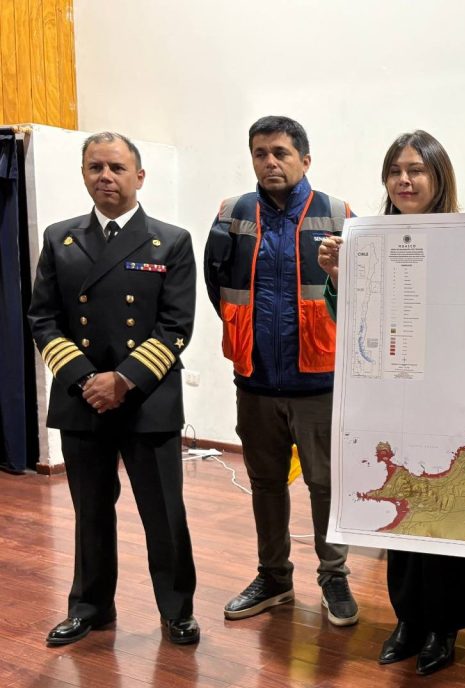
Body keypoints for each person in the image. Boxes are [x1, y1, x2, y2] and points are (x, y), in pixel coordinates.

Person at [28, 131, 200, 646]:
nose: (105, 176)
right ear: (84, 174)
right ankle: (90, 606)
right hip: (83, 399)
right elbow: (43, 319)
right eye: (95, 167)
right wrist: (87, 380)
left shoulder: (170, 241)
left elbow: (176, 326)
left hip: (147, 398)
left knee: (164, 513)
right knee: (90, 511)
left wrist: (123, 379)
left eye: (117, 168)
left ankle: (176, 609)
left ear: (139, 177)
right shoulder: (60, 238)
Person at [318, 130, 465, 676]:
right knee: (400, 507)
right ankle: (408, 620)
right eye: (395, 171)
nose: (404, 181)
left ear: (438, 176)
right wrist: (338, 277)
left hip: (448, 399)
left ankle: (444, 628)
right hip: (390, 398)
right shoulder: (370, 238)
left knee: (444, 512)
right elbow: (350, 323)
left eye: (416, 170)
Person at [203, 116, 358, 627]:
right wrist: (244, 334)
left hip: (320, 380)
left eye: (281, 153)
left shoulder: (339, 214)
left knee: (325, 485)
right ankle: (274, 577)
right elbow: (217, 284)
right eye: (260, 153)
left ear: (305, 160)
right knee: (265, 483)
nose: (270, 162)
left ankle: (333, 577)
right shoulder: (232, 214)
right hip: (255, 381)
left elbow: (361, 292)